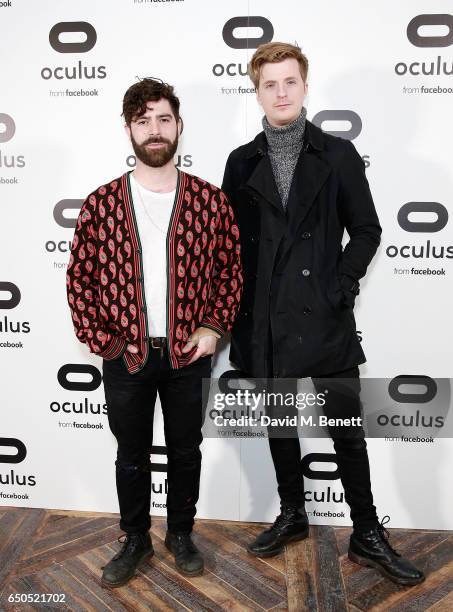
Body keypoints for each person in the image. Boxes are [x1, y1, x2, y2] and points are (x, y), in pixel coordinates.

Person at [221, 42, 424, 586]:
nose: (281, 92)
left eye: (290, 82)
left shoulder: (336, 154)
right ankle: (293, 513)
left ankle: (366, 532)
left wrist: (341, 284)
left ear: (305, 87)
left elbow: (368, 229)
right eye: (270, 84)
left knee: (346, 431)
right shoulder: (241, 162)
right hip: (264, 319)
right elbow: (230, 243)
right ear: (257, 90)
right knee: (281, 426)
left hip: (324, 315)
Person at [66, 78, 242, 587]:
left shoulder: (210, 202)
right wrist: (110, 345)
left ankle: (180, 534)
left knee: (186, 451)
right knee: (130, 454)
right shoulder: (101, 205)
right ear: (129, 130)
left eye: (164, 118)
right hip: (128, 358)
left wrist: (213, 327)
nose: (155, 130)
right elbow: (79, 280)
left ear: (179, 125)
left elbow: (231, 271)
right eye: (143, 121)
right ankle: (136, 538)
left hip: (189, 354)